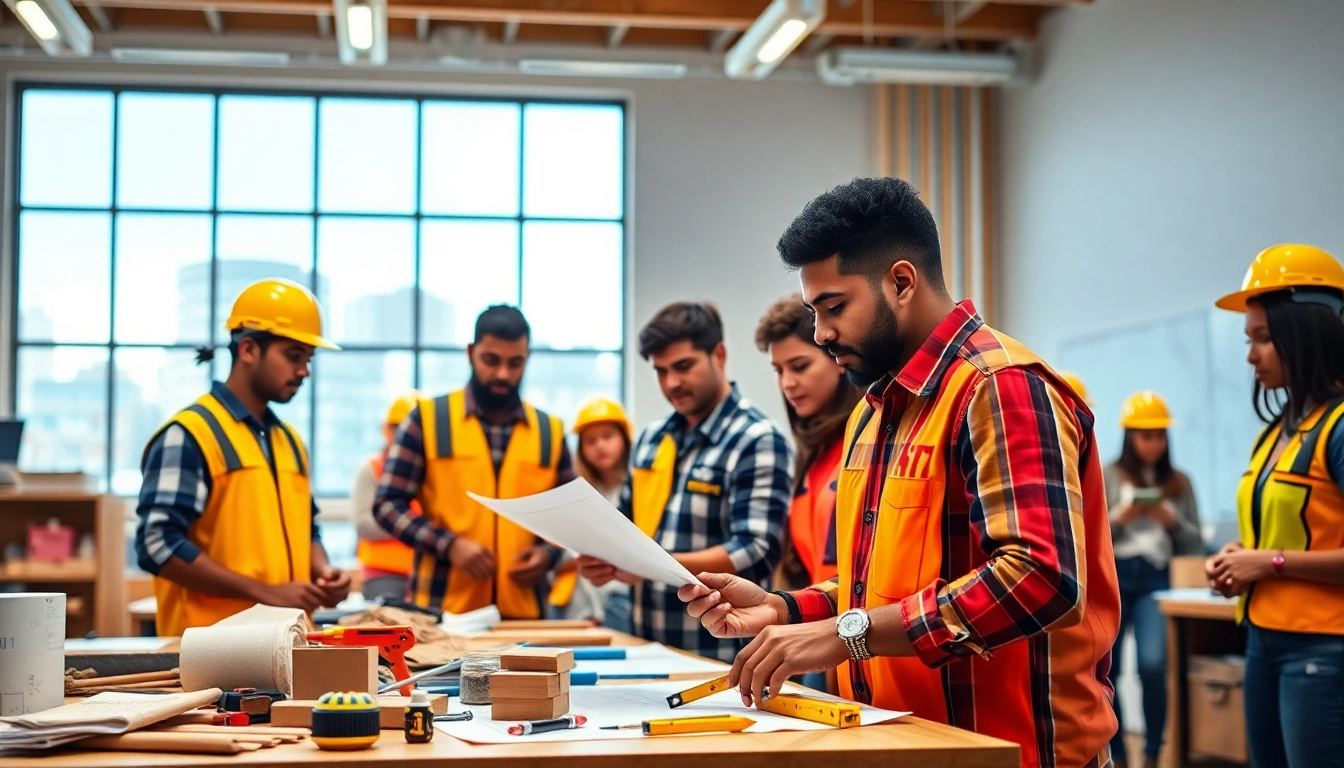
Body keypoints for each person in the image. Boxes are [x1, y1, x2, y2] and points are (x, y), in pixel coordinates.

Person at [679, 177, 1121, 768]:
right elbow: (879, 587)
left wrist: (843, 635)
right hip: (903, 745)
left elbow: (1040, 578)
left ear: (901, 281)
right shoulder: (874, 411)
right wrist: (786, 610)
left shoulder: (999, 388)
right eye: (815, 312)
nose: (821, 333)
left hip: (1012, 754)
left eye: (835, 307)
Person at [577, 302, 793, 663]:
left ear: (719, 355)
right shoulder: (650, 440)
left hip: (721, 655)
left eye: (683, 367)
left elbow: (755, 550)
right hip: (644, 649)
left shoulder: (757, 439)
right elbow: (624, 528)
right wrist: (606, 560)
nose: (671, 383)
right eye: (660, 371)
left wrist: (651, 566)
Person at [134, 278, 350, 637]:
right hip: (211, 654)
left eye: (309, 359)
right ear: (249, 349)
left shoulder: (290, 442)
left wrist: (323, 570)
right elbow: (157, 545)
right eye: (293, 356)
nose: (304, 371)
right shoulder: (190, 435)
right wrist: (264, 593)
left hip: (287, 647)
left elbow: (306, 527)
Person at [1206, 243, 1344, 768]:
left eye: (1263, 339)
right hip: (1264, 641)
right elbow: (1289, 533)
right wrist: (1242, 555)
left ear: (1307, 331)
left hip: (1324, 650)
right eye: (1249, 339)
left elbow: (1285, 553)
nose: (1250, 355)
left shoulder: (1339, 427)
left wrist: (1269, 562)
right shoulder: (1277, 433)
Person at [372, 305, 573, 620]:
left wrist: (548, 553)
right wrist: (449, 545)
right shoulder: (428, 420)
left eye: (515, 363)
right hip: (444, 614)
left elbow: (569, 514)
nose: (503, 374)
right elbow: (386, 505)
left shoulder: (550, 432)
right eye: (491, 361)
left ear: (527, 358)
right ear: (470, 353)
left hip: (527, 617)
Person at [1106, 390, 1203, 768]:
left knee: (1152, 664)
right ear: (1130, 437)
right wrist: (1120, 519)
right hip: (1115, 575)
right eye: (1146, 435)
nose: (1154, 443)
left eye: (1160, 435)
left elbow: (1196, 541)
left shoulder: (1180, 482)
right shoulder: (1108, 474)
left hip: (1157, 579)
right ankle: (1116, 753)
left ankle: (1151, 753)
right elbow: (1086, 537)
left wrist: (1171, 521)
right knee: (1107, 669)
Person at [755, 295, 863, 589]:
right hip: (818, 626)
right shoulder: (811, 454)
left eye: (799, 366)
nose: (786, 383)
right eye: (779, 370)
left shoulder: (870, 441)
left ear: (838, 358)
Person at [548, 398, 633, 627]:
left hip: (617, 603)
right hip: (572, 604)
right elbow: (558, 555)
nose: (600, 446)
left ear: (624, 439)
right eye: (590, 440)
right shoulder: (575, 495)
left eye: (607, 436)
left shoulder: (636, 492)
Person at [351, 391, 421, 603]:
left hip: (425, 572)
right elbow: (363, 524)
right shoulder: (372, 468)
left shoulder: (435, 472)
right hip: (383, 574)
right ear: (386, 429)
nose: (404, 435)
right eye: (397, 427)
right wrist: (414, 523)